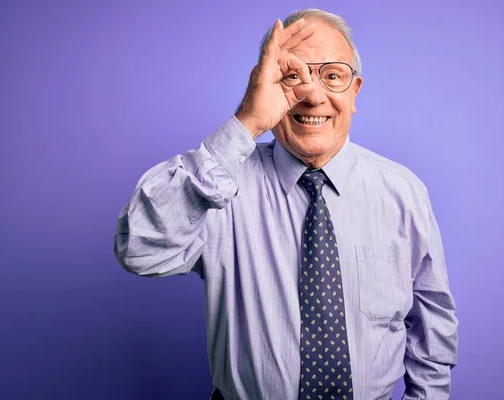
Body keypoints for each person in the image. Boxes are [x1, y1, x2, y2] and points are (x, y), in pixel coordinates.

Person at [114, 8, 458, 400]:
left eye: (332, 76)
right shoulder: (220, 187)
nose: (313, 95)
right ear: (264, 85)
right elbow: (138, 249)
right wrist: (245, 124)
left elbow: (432, 323)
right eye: (292, 76)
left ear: (355, 90)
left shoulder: (403, 192)